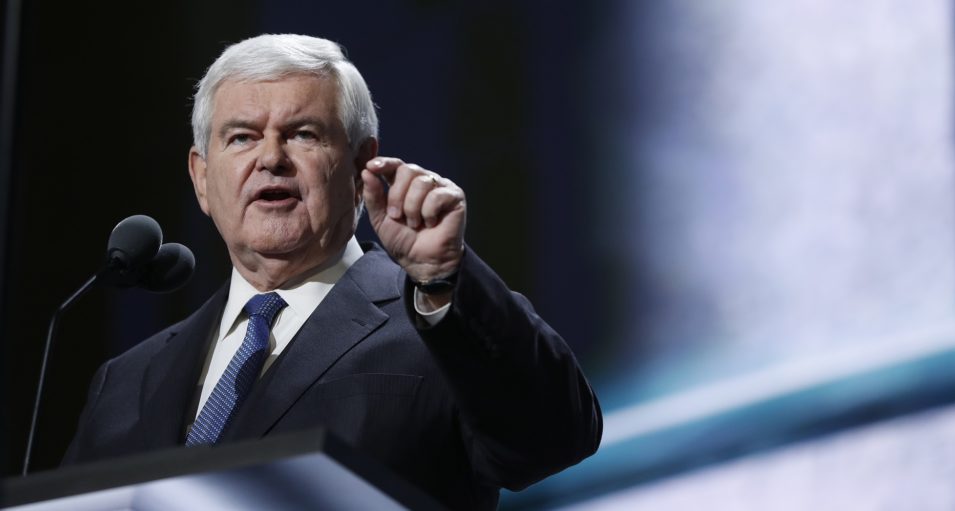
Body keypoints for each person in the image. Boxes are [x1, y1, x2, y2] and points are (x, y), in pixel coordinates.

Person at [62, 34, 602, 509]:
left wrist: (442, 276)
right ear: (202, 178)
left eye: (303, 134)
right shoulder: (126, 380)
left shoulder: (437, 322)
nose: (270, 158)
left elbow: (553, 438)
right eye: (242, 137)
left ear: (360, 164)